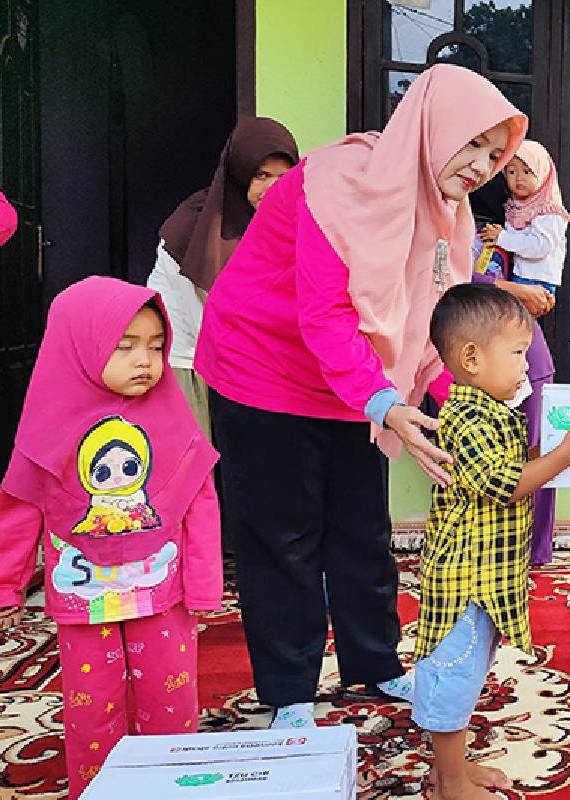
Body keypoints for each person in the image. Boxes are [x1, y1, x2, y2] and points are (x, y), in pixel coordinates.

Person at [193, 64, 528, 730]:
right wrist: (386, 405)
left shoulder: (449, 214)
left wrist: (467, 396)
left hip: (359, 381)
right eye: (474, 145)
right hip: (263, 368)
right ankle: (290, 689)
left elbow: (437, 314)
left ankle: (374, 664)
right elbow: (324, 313)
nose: (483, 166)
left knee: (361, 531)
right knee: (284, 536)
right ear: (436, 130)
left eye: (497, 155)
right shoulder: (335, 183)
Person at [0, 277, 222, 799]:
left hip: (162, 597)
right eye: (124, 346)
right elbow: (20, 509)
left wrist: (205, 582)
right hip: (84, 600)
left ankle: (172, 787)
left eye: (155, 346)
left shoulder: (171, 415)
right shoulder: (46, 425)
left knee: (171, 703)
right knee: (91, 713)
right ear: (78, 345)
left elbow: (199, 499)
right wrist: (7, 586)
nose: (144, 360)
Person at [416, 283, 570, 800]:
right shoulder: (464, 419)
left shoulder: (495, 412)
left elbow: (517, 464)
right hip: (464, 581)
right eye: (516, 354)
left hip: (488, 577)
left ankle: (455, 768)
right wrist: (564, 456)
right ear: (471, 357)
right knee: (452, 679)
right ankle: (449, 784)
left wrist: (553, 447)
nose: (526, 368)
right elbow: (507, 483)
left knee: (470, 672)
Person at [149, 117, 299, 438]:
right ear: (239, 174)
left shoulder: (288, 225)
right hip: (188, 365)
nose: (273, 188)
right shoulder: (195, 226)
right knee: (195, 471)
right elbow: (204, 317)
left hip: (246, 369)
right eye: (260, 175)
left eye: (285, 177)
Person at [480, 139, 569, 295]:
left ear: (541, 173)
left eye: (527, 171)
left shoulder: (548, 210)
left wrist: (502, 237)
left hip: (537, 281)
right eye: (512, 172)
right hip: (520, 275)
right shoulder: (517, 206)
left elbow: (540, 246)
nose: (519, 178)